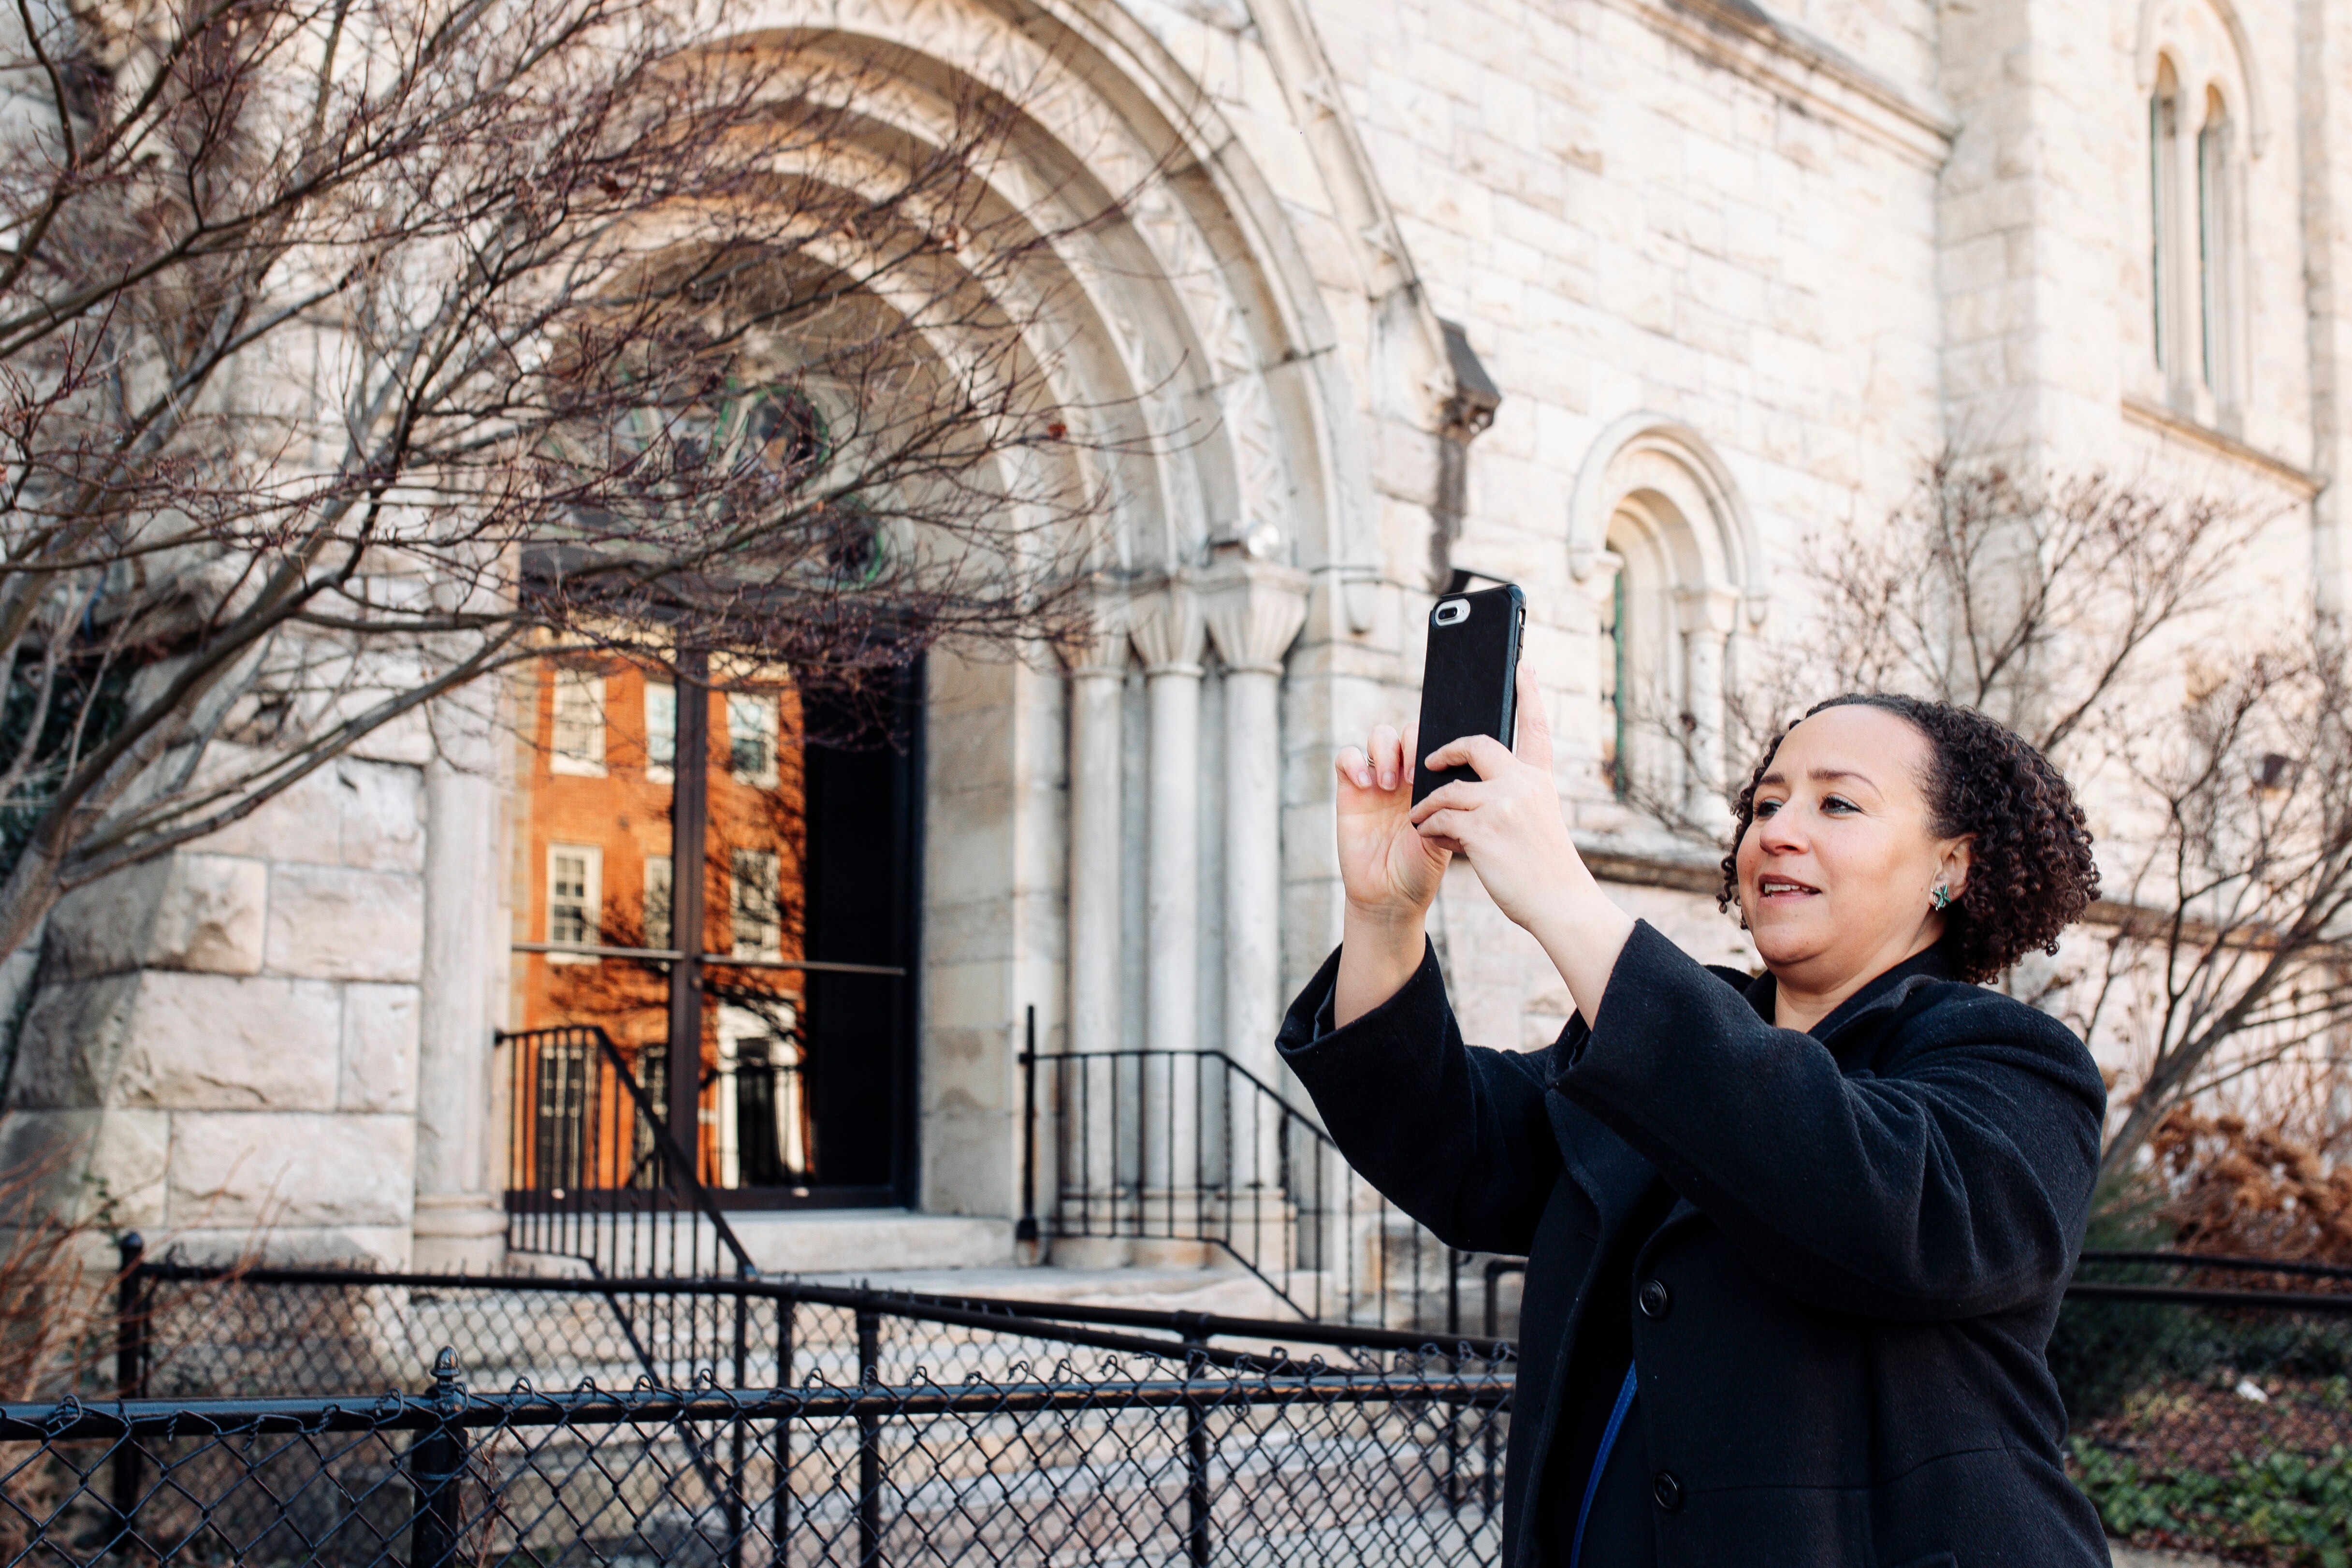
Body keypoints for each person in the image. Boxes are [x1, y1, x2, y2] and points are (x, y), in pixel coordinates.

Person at [1277, 665, 2111, 1568]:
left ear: (1952, 863)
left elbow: (1864, 1200)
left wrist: (1565, 898)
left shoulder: (2012, 1061)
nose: (1778, 833)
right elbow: (1453, 1149)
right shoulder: (1655, 1040)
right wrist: (1386, 914)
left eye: (1837, 807)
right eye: (1764, 806)